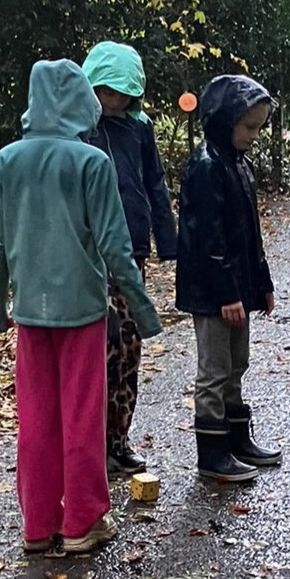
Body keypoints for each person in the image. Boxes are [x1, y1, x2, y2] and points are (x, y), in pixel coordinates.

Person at [0, 59, 163, 555]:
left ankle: (38, 526)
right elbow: (115, 246)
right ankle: (82, 522)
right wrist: (145, 315)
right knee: (82, 416)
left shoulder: (7, 161)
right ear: (81, 100)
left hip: (29, 312)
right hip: (83, 309)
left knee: (35, 418)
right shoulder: (91, 161)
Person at [175, 75, 281, 482]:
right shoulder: (206, 166)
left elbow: (250, 232)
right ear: (224, 120)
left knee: (237, 363)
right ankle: (212, 452)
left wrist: (263, 282)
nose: (254, 136)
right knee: (215, 369)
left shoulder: (238, 164)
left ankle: (237, 439)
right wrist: (225, 292)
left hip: (236, 287)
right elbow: (207, 238)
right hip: (213, 291)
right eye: (249, 127)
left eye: (258, 127)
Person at [82, 41, 177, 474]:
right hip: (90, 255)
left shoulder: (139, 128)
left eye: (122, 93)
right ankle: (89, 444)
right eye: (106, 91)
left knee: (129, 350)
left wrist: (168, 240)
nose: (114, 101)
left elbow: (155, 184)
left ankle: (117, 441)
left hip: (132, 250)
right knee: (103, 346)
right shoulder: (78, 130)